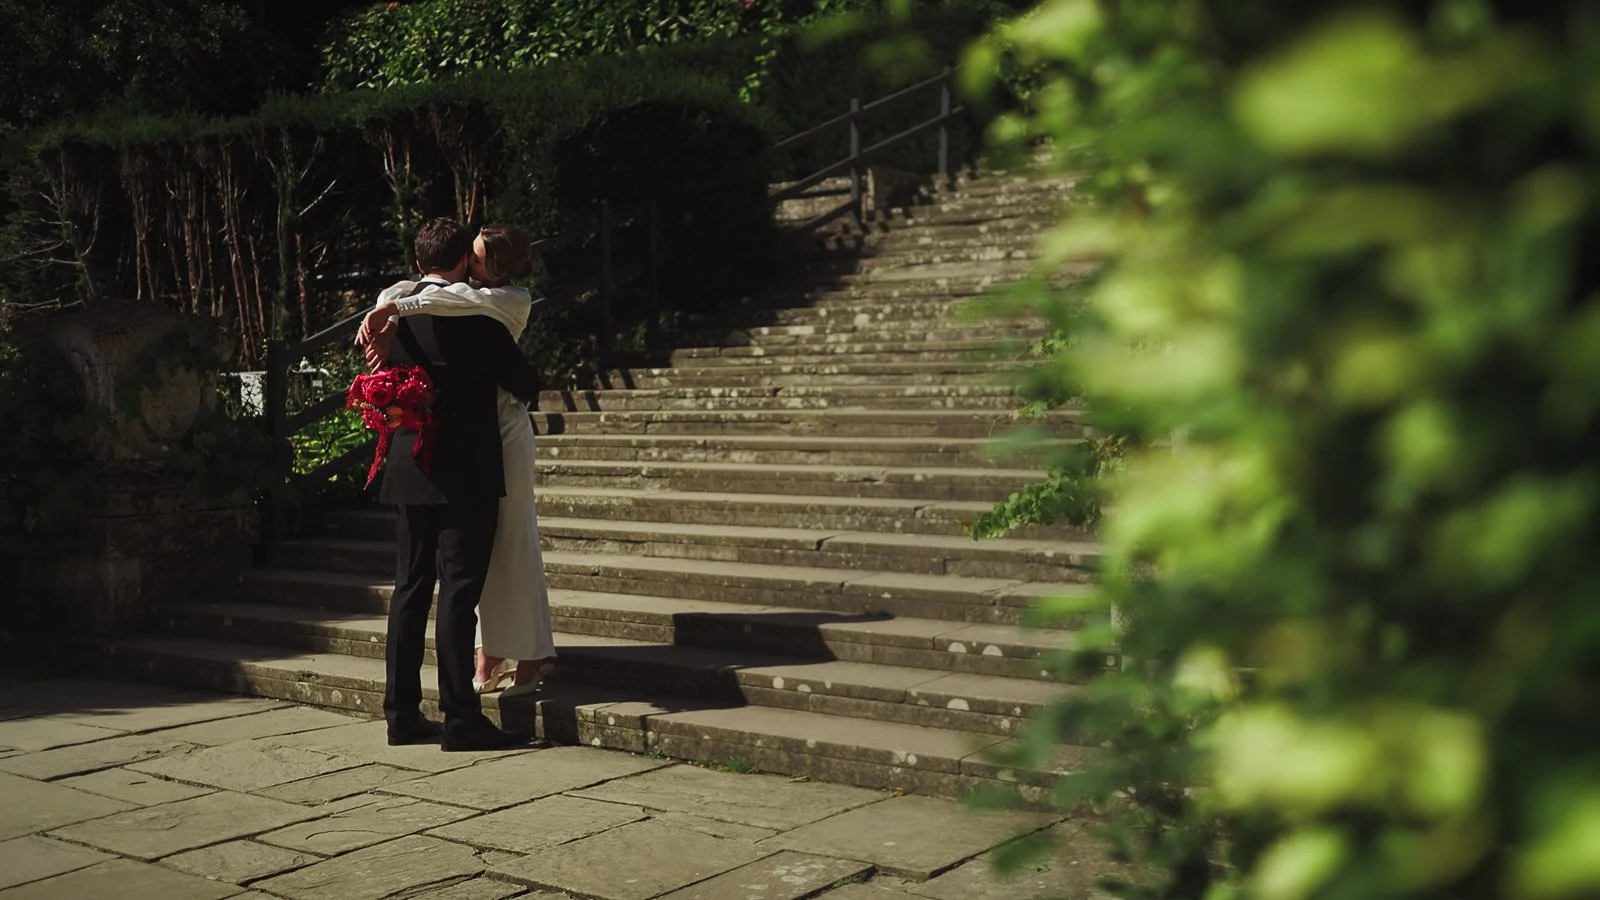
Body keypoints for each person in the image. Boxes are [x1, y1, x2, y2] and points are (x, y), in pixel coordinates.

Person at [360, 224, 557, 700]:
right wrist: (386, 307)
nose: (471, 265)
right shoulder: (463, 308)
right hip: (467, 448)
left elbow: (434, 297)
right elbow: (426, 294)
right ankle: (474, 678)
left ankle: (520, 655)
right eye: (468, 256)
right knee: (464, 576)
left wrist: (388, 309)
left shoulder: (498, 301)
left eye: (479, 257)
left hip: (470, 443)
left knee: (498, 551)